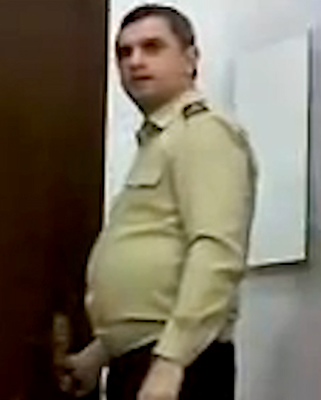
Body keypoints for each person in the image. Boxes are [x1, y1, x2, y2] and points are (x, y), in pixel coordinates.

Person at [62, 4, 257, 400]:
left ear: (190, 59)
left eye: (152, 47)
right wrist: (98, 355)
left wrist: (171, 362)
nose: (135, 61)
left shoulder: (203, 132)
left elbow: (217, 252)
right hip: (141, 359)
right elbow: (154, 276)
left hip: (180, 364)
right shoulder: (159, 141)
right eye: (124, 52)